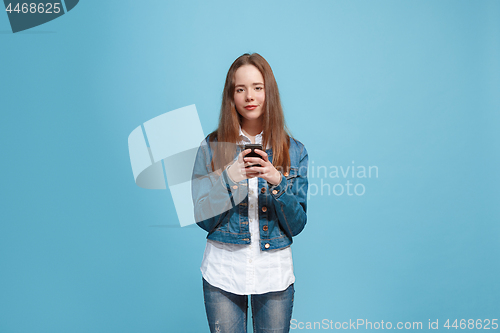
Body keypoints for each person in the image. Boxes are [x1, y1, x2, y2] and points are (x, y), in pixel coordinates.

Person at [191, 52, 309, 333]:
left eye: (257, 87)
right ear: (231, 96)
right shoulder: (210, 147)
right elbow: (203, 219)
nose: (249, 96)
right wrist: (229, 178)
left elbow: (297, 225)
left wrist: (277, 182)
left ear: (269, 92)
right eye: (240, 89)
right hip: (222, 271)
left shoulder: (295, 151)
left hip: (274, 274)